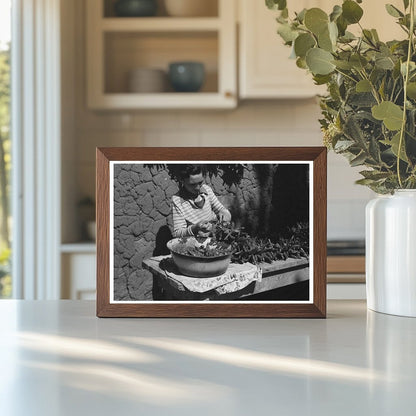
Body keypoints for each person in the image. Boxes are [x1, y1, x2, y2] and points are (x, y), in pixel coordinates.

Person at [171, 165, 232, 238]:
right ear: (182, 180)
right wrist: (195, 228)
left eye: (200, 182)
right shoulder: (178, 200)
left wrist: (225, 214)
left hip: (212, 238)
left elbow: (220, 209)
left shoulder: (206, 190)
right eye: (192, 184)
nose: (197, 188)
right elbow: (178, 233)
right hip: (194, 243)